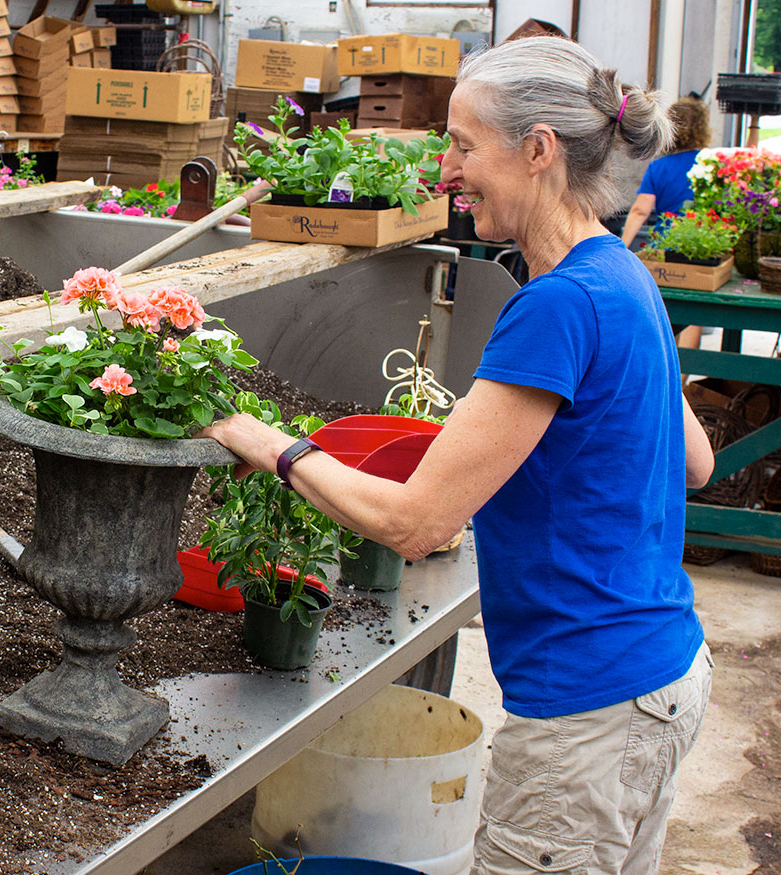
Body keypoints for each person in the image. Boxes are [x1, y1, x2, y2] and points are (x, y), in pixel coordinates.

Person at [201, 37, 715, 875]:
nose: (446, 169)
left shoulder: (558, 305)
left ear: (538, 150)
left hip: (586, 712)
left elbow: (416, 521)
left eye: (464, 144)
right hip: (666, 676)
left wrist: (269, 443)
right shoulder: (621, 271)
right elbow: (694, 461)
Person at [621, 97, 713, 353]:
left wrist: (622, 247)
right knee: (694, 317)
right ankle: (683, 380)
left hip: (664, 251)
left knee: (660, 314)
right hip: (702, 250)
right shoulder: (710, 163)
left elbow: (640, 210)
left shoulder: (658, 167)